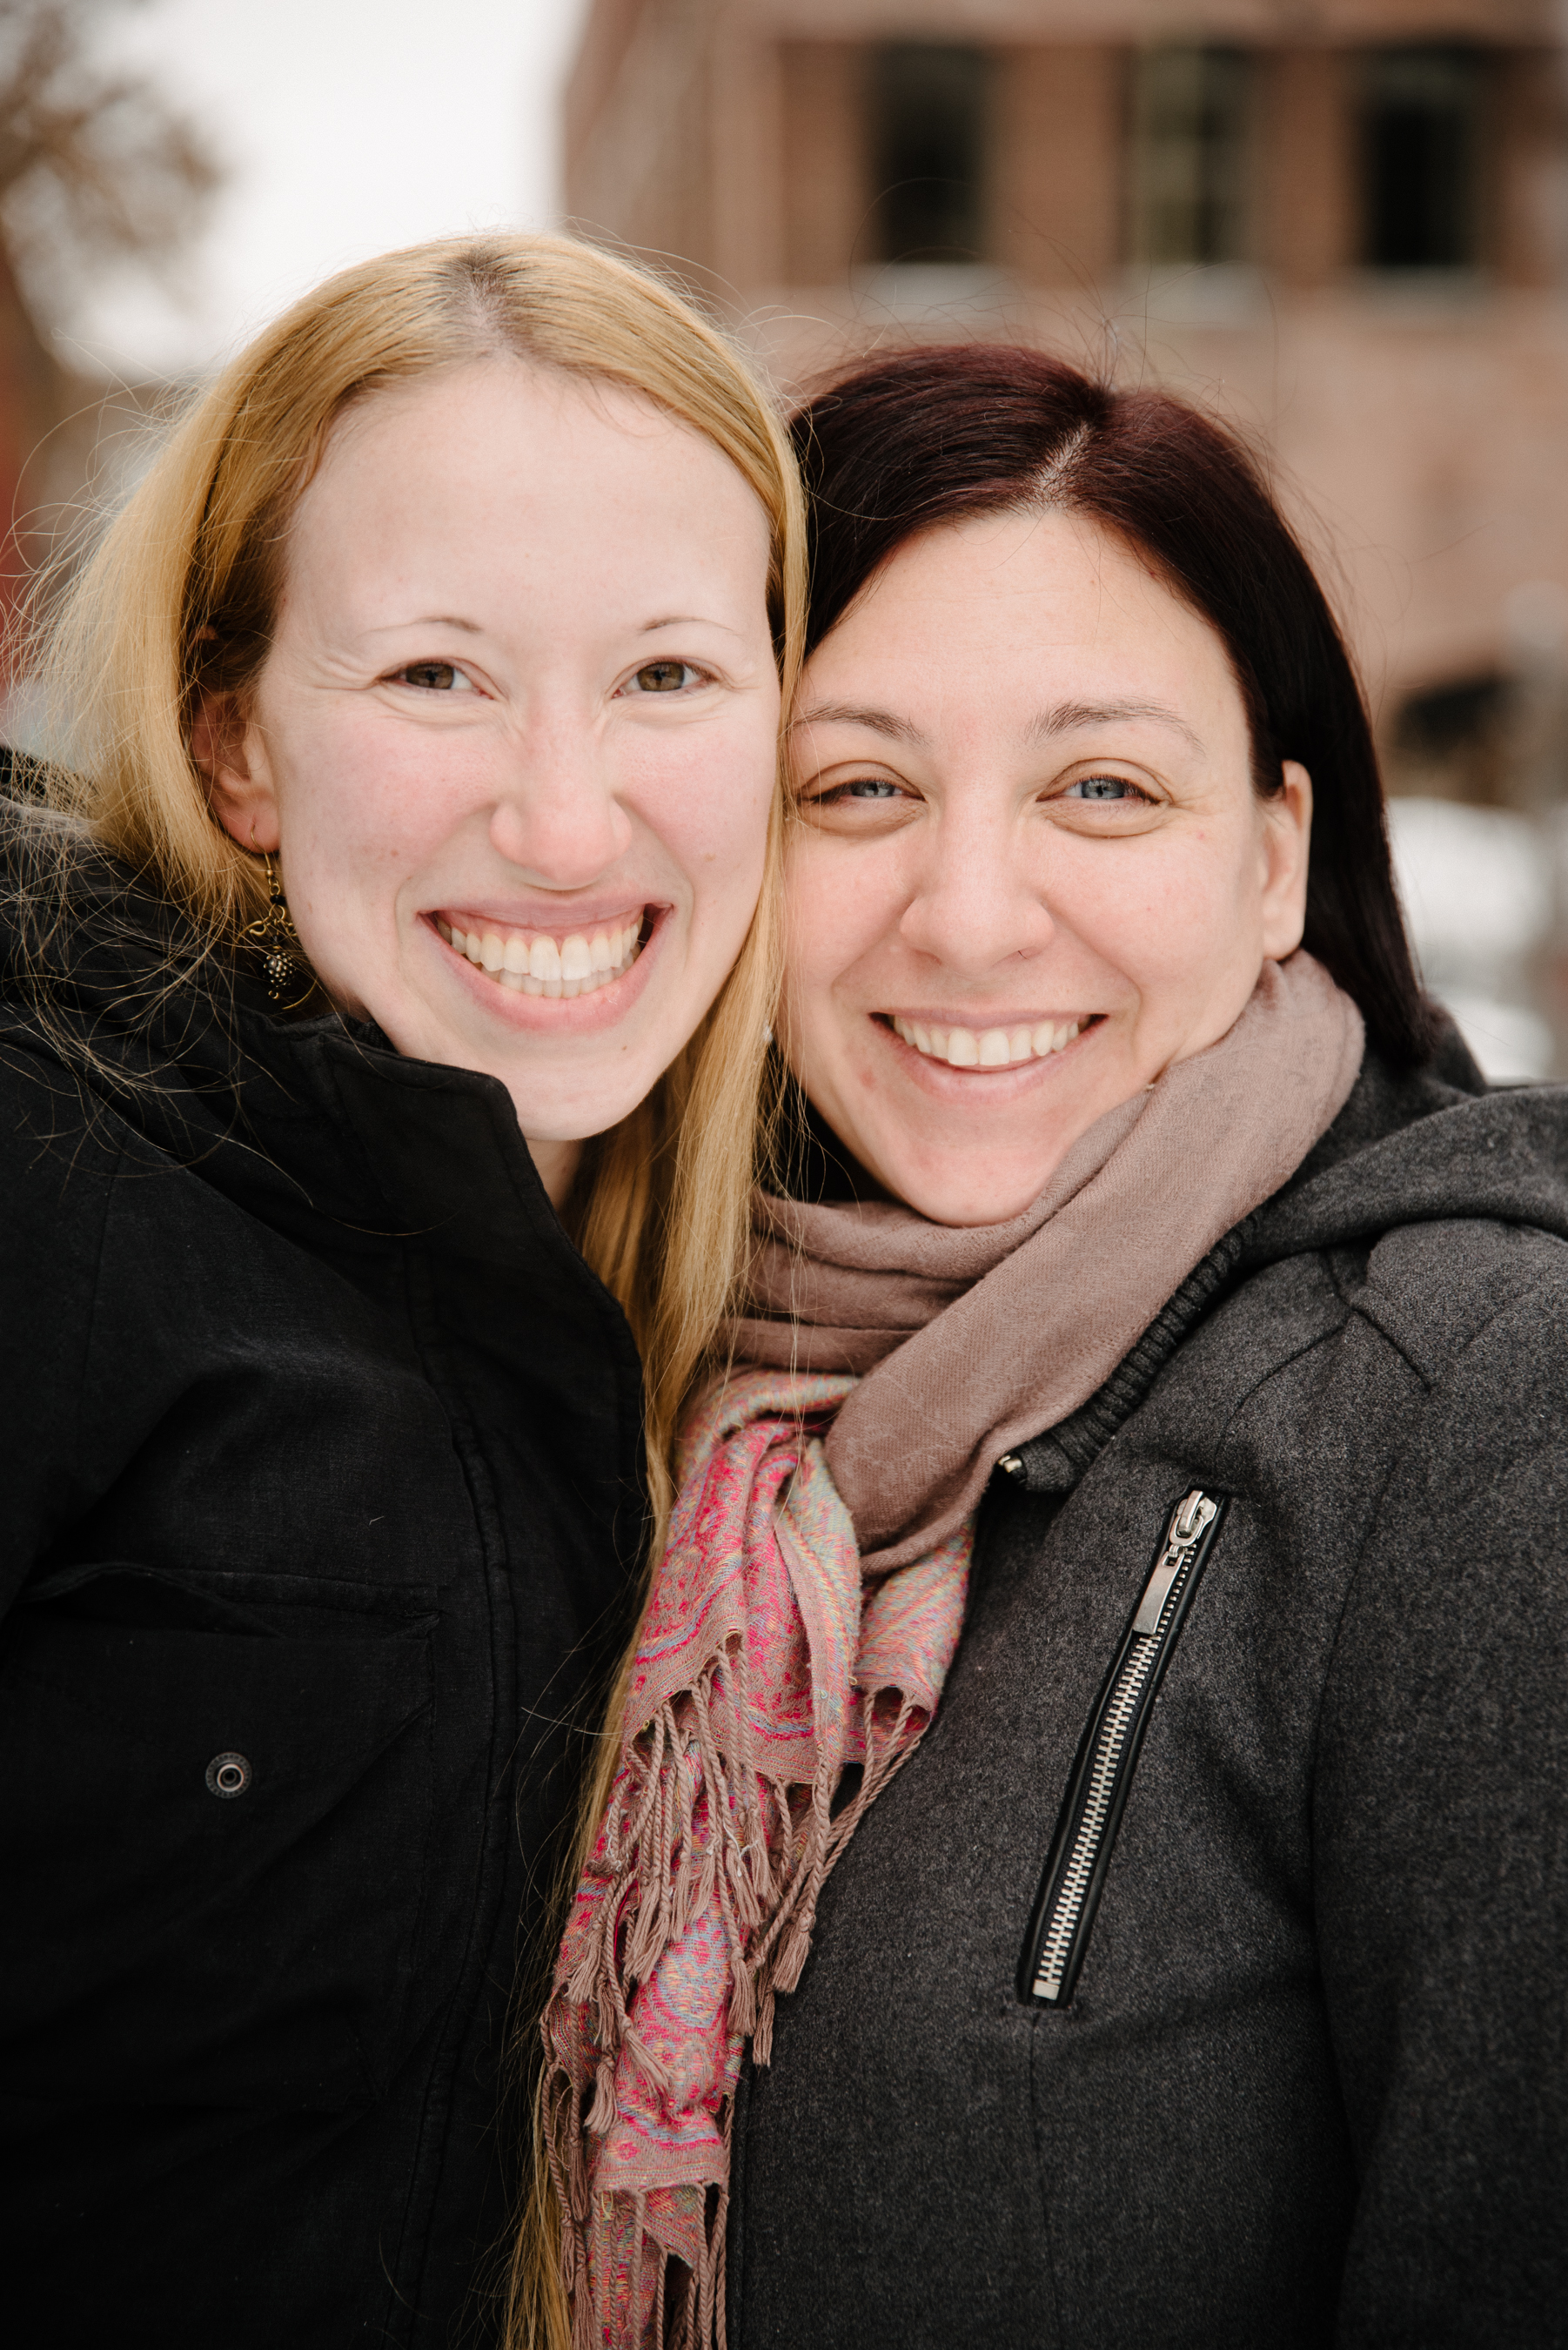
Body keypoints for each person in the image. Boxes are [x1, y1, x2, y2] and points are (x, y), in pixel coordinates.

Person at [536, 347, 1568, 2349]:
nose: (972, 914)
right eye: (858, 788)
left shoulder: (1475, 1407)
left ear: (1272, 857)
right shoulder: (617, 1369)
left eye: (1101, 786)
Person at [0, 232, 804, 2348]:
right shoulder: (49, 1177)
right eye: (434, 673)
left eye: (667, 674)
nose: (562, 817)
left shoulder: (705, 1288)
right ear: (235, 745)